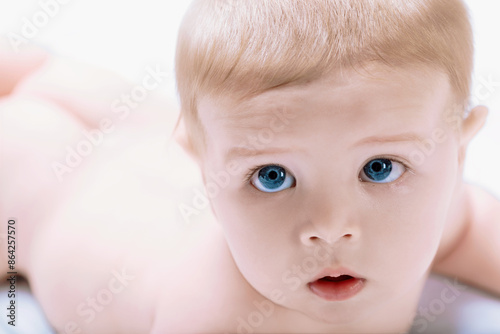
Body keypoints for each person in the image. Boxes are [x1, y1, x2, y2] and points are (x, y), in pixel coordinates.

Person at [2, 0, 499, 333]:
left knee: (74, 86)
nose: (329, 226)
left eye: (380, 169)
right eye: (272, 176)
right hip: (38, 182)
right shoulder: (217, 317)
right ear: (201, 163)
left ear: (457, 153)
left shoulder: (438, 206)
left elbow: (476, 225)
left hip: (133, 129)